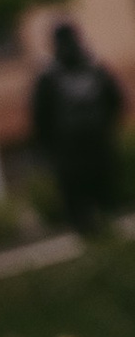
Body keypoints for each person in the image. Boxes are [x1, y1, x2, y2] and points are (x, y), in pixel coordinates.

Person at [30, 16, 126, 236]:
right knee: (108, 206)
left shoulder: (48, 78)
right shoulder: (96, 69)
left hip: (68, 155)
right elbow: (116, 101)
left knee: (80, 213)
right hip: (100, 147)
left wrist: (49, 148)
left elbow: (40, 119)